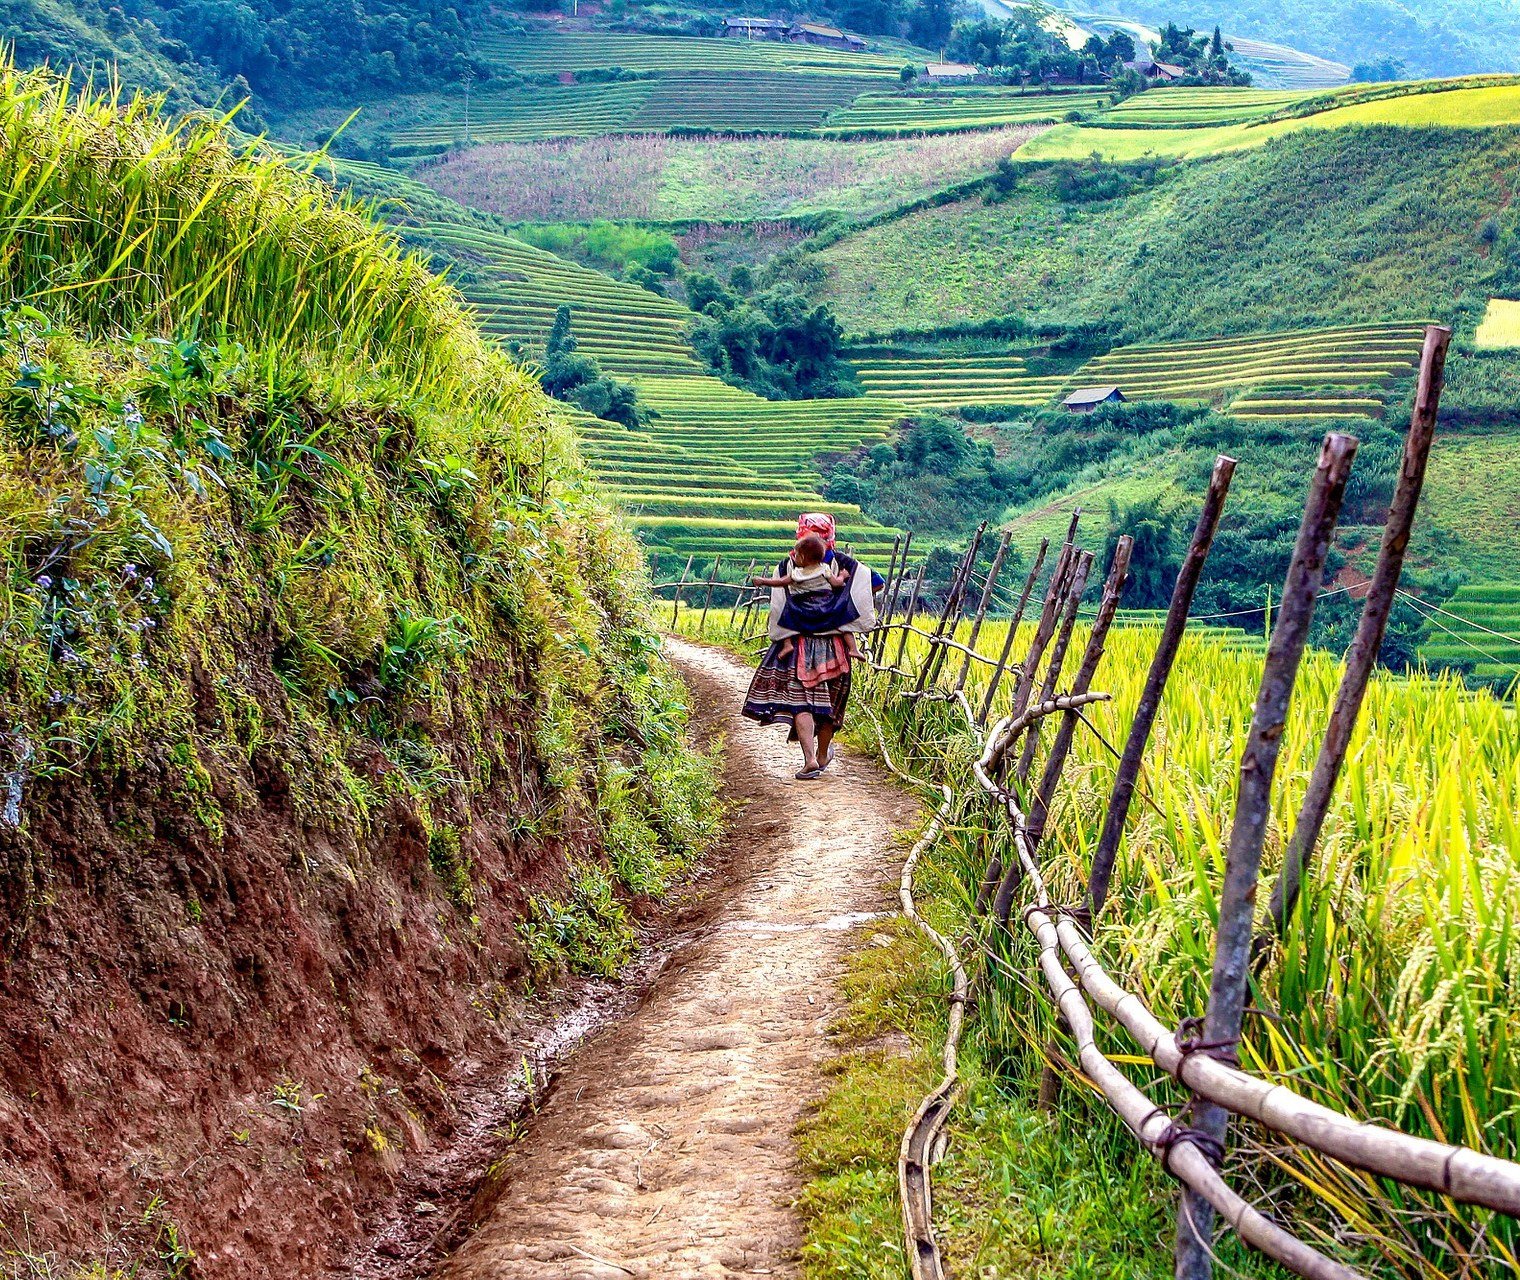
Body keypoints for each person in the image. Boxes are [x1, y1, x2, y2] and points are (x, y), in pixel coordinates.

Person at [741, 514, 879, 780]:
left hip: (800, 646)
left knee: (801, 703)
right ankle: (824, 753)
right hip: (837, 646)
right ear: (831, 540)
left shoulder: (788, 567)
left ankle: (811, 759)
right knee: (831, 705)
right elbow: (874, 584)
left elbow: (779, 605)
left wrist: (783, 637)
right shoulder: (847, 566)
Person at [749, 533, 860, 663]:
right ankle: (853, 648)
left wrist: (763, 581)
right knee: (842, 618)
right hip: (825, 605)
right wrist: (842, 575)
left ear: (802, 557)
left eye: (795, 554)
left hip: (802, 607)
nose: (793, 557)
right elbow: (836, 583)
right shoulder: (825, 569)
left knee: (785, 616)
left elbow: (780, 582)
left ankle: (787, 644)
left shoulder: (797, 573)